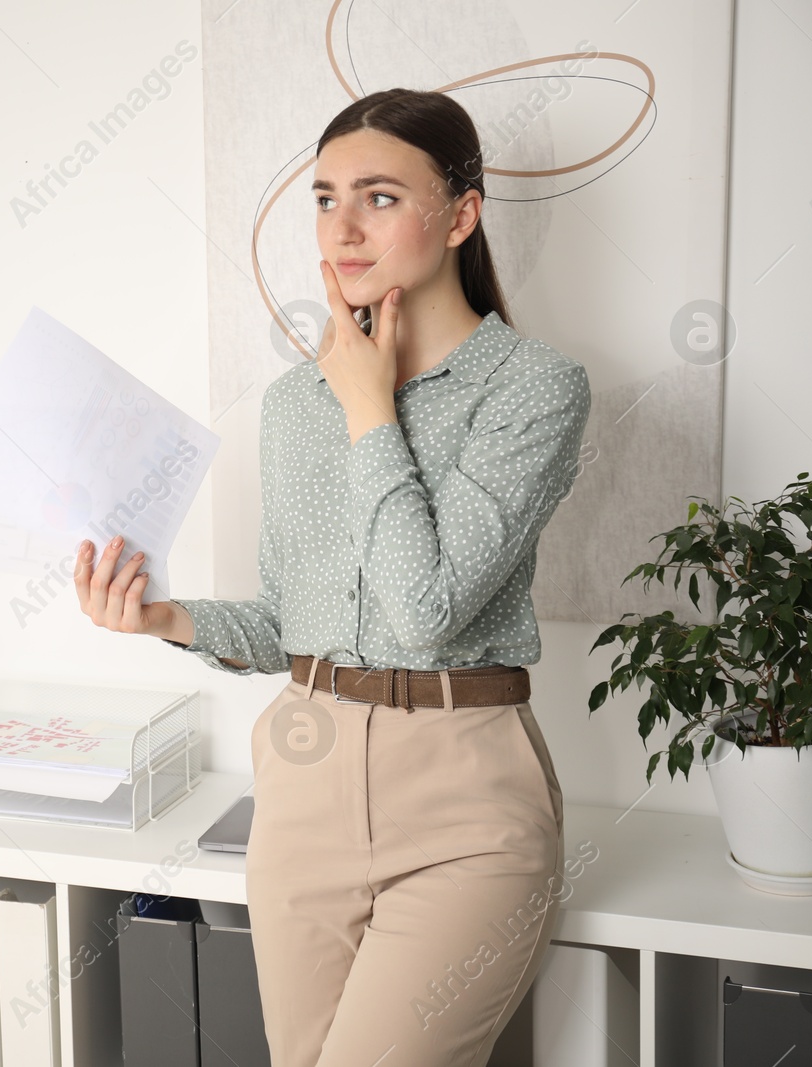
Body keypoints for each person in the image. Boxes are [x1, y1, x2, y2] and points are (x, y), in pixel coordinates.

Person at [75, 87, 592, 1066]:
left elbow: (426, 610)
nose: (341, 226)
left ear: (460, 214)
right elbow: (293, 621)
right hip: (301, 796)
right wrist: (165, 616)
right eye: (322, 198)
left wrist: (368, 406)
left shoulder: (532, 387)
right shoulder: (290, 405)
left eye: (380, 196)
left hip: (464, 808)